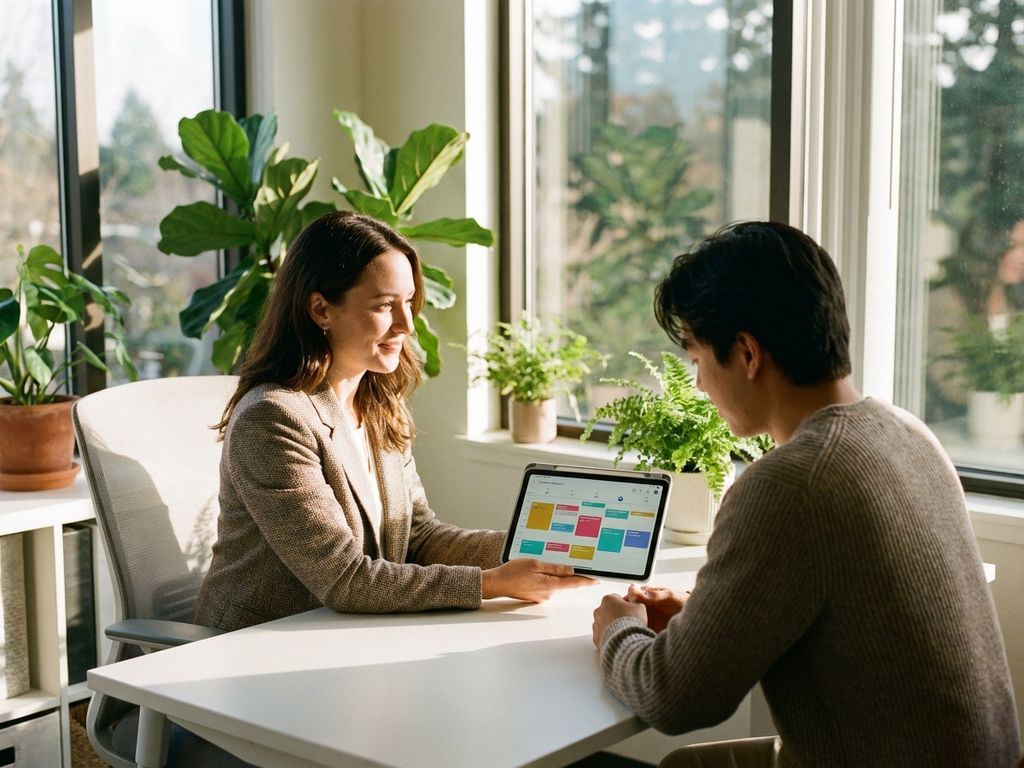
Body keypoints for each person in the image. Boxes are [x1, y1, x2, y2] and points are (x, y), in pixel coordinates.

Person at [590, 221, 1020, 767]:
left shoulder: (791, 482)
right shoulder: (906, 432)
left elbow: (673, 698)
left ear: (746, 353)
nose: (697, 383)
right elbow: (848, 611)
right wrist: (703, 614)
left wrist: (617, 630)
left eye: (697, 359)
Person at [194, 211, 591, 631]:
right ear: (320, 310)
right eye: (384, 306)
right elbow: (345, 579)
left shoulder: (379, 404)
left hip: (345, 635)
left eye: (408, 302)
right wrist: (492, 583)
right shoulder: (273, 418)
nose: (406, 324)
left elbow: (417, 537)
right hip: (257, 647)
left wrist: (534, 550)